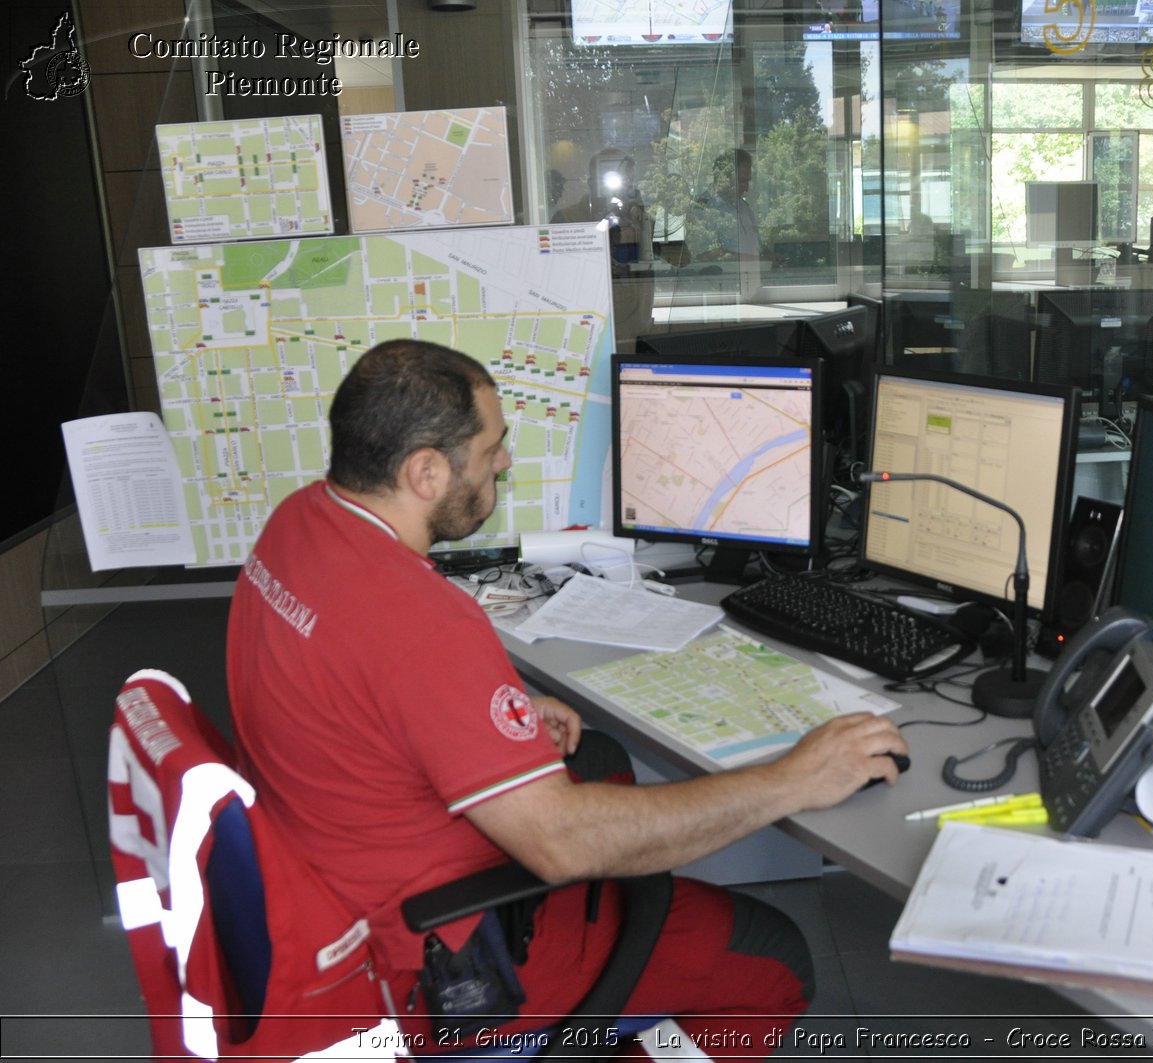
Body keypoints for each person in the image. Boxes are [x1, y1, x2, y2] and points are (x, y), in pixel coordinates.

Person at [226, 338, 909, 1058]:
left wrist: (488, 714)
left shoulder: (300, 523)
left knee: (602, 754)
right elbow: (559, 843)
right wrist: (793, 778)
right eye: (491, 449)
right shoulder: (419, 621)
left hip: (328, 884)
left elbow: (355, 688)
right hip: (444, 964)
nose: (505, 462)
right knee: (770, 960)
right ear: (424, 470)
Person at [554, 148, 655, 352]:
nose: (618, 189)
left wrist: (641, 218)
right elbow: (557, 279)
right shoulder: (567, 219)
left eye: (627, 182)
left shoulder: (640, 220)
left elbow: (672, 260)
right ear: (592, 182)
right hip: (584, 332)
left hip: (632, 332)